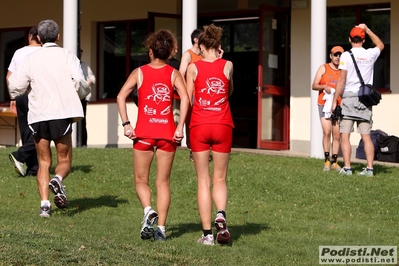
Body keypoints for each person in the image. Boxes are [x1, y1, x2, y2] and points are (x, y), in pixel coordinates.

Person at [8, 19, 90, 217]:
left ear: (38, 37)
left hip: (38, 114)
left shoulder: (30, 58)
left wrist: (21, 91)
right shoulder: (67, 55)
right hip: (61, 113)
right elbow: (79, 80)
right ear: (58, 36)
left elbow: (14, 86)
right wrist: (78, 93)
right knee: (65, 159)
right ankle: (58, 179)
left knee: (43, 161)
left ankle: (45, 206)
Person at [116, 29, 189, 241]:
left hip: (144, 133)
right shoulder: (173, 73)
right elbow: (185, 99)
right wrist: (180, 127)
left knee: (141, 180)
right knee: (163, 182)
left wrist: (127, 124)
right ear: (168, 53)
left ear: (150, 51)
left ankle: (148, 210)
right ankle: (162, 230)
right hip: (167, 134)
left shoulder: (139, 72)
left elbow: (121, 96)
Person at [186, 24, 234, 245]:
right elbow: (229, 90)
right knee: (220, 178)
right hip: (223, 124)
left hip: (200, 125)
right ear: (219, 46)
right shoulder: (228, 65)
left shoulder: (193, 68)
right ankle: (221, 214)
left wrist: (182, 130)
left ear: (203, 45)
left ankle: (207, 235)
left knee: (203, 181)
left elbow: (188, 98)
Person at [332, 23, 384, 176]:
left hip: (349, 97)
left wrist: (336, 100)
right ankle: (369, 169)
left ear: (349, 39)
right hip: (365, 98)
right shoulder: (370, 54)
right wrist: (367, 29)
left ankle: (347, 168)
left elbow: (341, 80)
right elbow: (380, 44)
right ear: (363, 40)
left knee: (345, 135)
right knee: (366, 136)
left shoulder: (346, 55)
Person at [6, 26, 41, 177]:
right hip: (37, 95)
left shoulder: (19, 52)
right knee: (41, 131)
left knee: (27, 132)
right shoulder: (46, 52)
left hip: (20, 95)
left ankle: (32, 169)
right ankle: (20, 156)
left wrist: (12, 97)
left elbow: (9, 77)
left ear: (30, 37)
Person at [312, 46, 344, 172]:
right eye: (335, 55)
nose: (337, 57)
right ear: (330, 55)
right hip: (324, 104)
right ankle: (326, 160)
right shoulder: (324, 68)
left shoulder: (343, 70)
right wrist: (324, 86)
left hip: (338, 105)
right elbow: (314, 85)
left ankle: (335, 162)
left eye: (340, 55)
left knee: (337, 134)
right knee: (327, 131)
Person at [179, 29, 203, 162]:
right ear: (195, 40)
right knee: (191, 122)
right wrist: (184, 92)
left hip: (203, 94)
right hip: (191, 94)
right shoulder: (188, 55)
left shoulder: (205, 55)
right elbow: (180, 73)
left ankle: (201, 150)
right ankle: (192, 150)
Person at [79, 49, 96, 147]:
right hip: (73, 97)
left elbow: (92, 77)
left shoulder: (84, 65)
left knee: (83, 120)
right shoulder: (70, 63)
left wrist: (88, 82)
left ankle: (83, 143)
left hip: (83, 96)